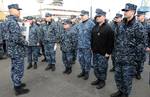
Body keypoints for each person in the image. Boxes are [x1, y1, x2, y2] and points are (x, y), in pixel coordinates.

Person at [111, 3, 146, 97]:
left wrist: (136, 63)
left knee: (127, 80)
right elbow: (116, 40)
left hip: (129, 61)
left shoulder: (138, 27)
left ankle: (125, 94)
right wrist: (115, 54)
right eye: (124, 11)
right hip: (119, 58)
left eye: (127, 11)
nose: (125, 12)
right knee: (118, 78)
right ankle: (120, 91)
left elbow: (141, 46)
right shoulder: (121, 24)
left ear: (133, 12)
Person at [4, 4, 30, 95]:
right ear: (12, 10)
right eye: (17, 10)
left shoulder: (8, 21)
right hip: (17, 50)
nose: (19, 11)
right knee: (18, 69)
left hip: (12, 50)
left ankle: (16, 83)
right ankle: (17, 88)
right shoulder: (13, 22)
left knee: (14, 68)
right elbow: (17, 38)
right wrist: (26, 42)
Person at [91, 8, 114, 89]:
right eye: (96, 16)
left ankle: (102, 81)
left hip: (103, 53)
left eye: (99, 16)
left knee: (102, 68)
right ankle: (98, 79)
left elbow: (111, 42)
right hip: (95, 52)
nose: (97, 17)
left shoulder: (109, 28)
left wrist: (109, 52)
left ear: (104, 17)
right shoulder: (94, 27)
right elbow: (92, 39)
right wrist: (92, 48)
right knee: (96, 67)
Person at [77, 10, 95, 80]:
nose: (81, 17)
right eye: (81, 15)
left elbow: (94, 36)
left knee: (87, 60)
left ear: (87, 15)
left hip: (87, 47)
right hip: (80, 46)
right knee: (81, 59)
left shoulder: (91, 24)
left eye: (83, 15)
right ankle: (83, 71)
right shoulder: (80, 24)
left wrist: (92, 46)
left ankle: (87, 72)